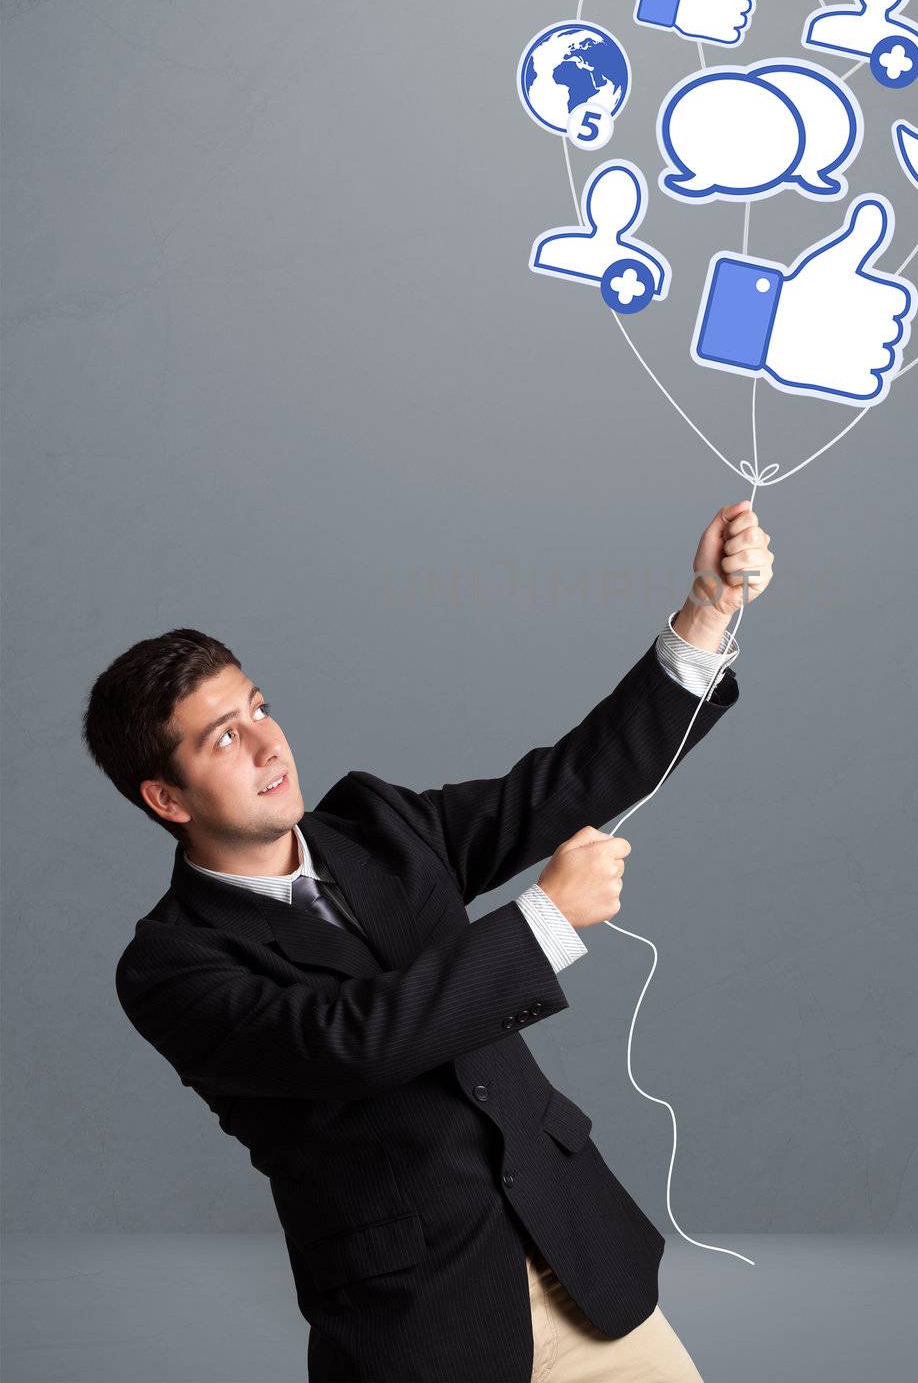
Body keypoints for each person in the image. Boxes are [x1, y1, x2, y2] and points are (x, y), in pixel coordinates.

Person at [87, 501, 775, 1382]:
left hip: (584, 1271)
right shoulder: (170, 966)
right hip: (422, 1331)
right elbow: (350, 1044)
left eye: (260, 708)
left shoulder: (381, 823)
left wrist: (706, 614)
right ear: (167, 800)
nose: (269, 742)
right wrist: (547, 921)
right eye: (225, 737)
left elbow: (567, 782)